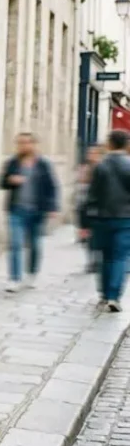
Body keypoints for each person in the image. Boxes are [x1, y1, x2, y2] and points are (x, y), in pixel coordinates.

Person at [0, 133, 59, 292]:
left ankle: (32, 273)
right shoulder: (12, 163)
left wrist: (53, 207)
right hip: (16, 210)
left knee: (34, 244)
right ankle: (14, 278)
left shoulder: (43, 164)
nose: (22, 146)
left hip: (37, 211)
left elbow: (52, 186)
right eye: (20, 143)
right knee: (16, 244)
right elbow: (1, 182)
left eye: (26, 143)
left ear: (34, 144)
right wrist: (10, 180)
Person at [86, 130, 130, 312]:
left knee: (105, 257)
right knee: (120, 257)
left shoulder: (100, 166)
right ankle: (114, 296)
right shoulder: (129, 165)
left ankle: (104, 295)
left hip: (103, 217)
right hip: (125, 218)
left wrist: (87, 219)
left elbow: (92, 195)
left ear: (110, 144)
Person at [78, 144, 106, 273]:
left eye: (94, 153)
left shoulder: (105, 169)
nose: (91, 156)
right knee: (89, 237)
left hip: (103, 209)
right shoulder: (86, 168)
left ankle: (98, 260)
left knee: (99, 237)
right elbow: (81, 188)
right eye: (90, 153)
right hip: (87, 206)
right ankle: (92, 261)